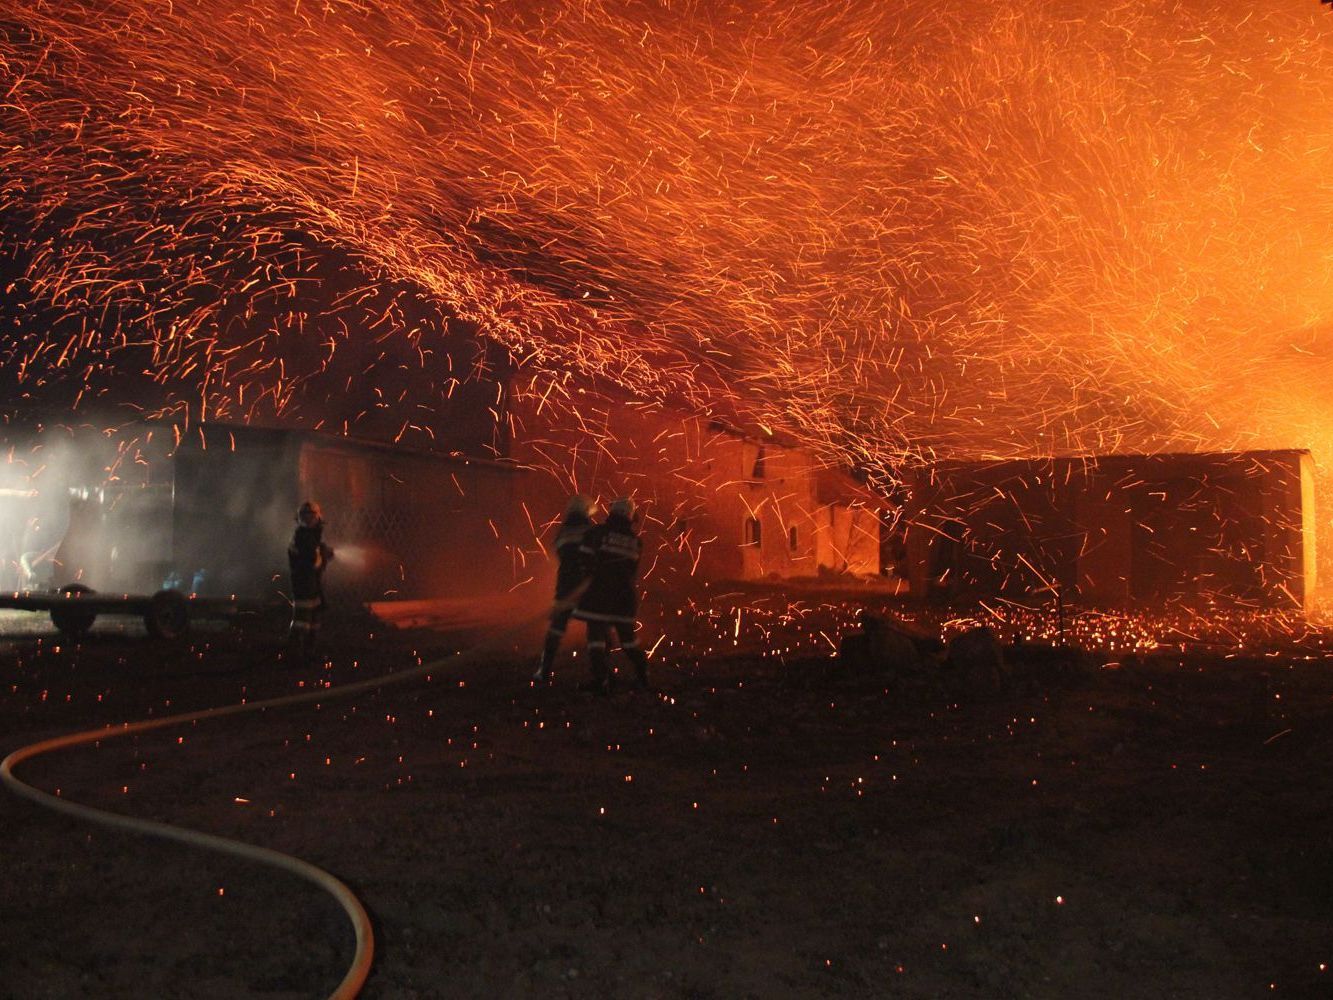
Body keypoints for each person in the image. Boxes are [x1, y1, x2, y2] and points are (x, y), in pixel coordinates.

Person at [572, 496, 651, 694]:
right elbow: (630, 570)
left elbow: (582, 560)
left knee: (596, 639)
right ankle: (643, 677)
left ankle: (602, 680)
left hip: (599, 597)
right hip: (624, 599)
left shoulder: (597, 534)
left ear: (612, 512)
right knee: (628, 640)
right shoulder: (636, 541)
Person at [533, 495, 596, 683]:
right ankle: (601, 673)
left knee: (556, 629)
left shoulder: (563, 532)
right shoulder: (592, 531)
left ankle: (544, 670)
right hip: (588, 588)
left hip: (565, 587)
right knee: (597, 628)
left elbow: (561, 554)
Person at [288, 500, 333, 659]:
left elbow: (315, 556)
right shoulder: (303, 537)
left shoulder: (310, 536)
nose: (309, 519)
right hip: (304, 585)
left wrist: (324, 552)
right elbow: (312, 562)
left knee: (313, 622)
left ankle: (308, 654)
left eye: (311, 516)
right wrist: (325, 555)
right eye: (306, 516)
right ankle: (296, 656)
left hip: (312, 585)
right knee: (302, 622)